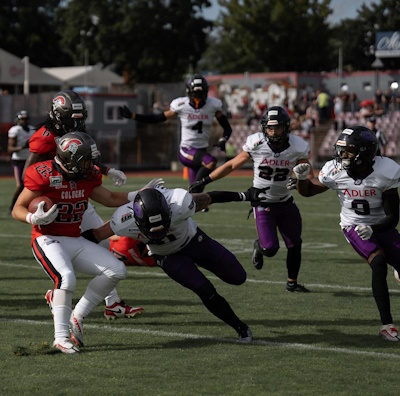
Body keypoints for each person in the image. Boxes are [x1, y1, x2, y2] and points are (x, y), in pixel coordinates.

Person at [81, 183, 271, 343]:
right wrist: (59, 241)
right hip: (167, 256)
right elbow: (96, 235)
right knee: (205, 290)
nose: (157, 232)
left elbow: (209, 197)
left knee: (238, 277)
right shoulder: (123, 220)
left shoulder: (180, 203)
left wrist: (244, 195)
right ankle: (240, 327)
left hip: (194, 242)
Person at [11, 132, 142, 354]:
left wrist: (140, 194)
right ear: (69, 159)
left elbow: (109, 198)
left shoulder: (87, 175)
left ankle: (77, 314)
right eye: (86, 160)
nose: (91, 165)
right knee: (66, 278)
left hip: (74, 238)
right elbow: (17, 208)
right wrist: (34, 218)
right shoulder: (43, 174)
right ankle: (61, 338)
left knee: (116, 270)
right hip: (47, 238)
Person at [24, 90, 142, 320]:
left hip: (78, 193)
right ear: (58, 115)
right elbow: (31, 169)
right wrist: (30, 203)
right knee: (62, 256)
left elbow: (86, 156)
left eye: (79, 117)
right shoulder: (44, 136)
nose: (77, 122)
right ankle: (65, 296)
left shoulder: (74, 130)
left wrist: (107, 170)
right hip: (57, 198)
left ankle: (112, 302)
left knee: (103, 241)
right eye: (72, 117)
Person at [189, 106, 313, 292]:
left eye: (277, 128)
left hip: (286, 201)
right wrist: (205, 180)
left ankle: (292, 282)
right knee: (270, 249)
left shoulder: (298, 146)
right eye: (269, 128)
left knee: (295, 244)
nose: (273, 132)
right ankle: (259, 245)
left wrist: (298, 181)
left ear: (286, 127)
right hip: (262, 201)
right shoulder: (257, 143)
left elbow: (308, 175)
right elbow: (231, 165)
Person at [293, 125, 400, 341]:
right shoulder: (335, 170)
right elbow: (309, 192)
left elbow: (393, 218)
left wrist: (373, 228)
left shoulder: (385, 172)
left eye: (348, 151)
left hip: (381, 224)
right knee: (378, 262)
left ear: (364, 152)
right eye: (341, 150)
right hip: (353, 226)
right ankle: (387, 326)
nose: (342, 156)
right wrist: (301, 181)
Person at [119, 74, 233, 192]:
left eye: (200, 94)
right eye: (195, 95)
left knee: (195, 193)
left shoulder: (213, 105)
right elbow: (158, 118)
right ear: (189, 93)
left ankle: (194, 199)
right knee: (211, 162)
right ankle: (197, 189)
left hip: (201, 150)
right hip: (187, 150)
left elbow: (227, 128)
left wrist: (223, 139)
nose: (197, 98)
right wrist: (134, 116)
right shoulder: (181, 105)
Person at [7, 110, 36, 214]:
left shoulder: (32, 129)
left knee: (31, 185)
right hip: (18, 160)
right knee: (20, 185)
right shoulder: (15, 130)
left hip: (29, 160)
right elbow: (10, 148)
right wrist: (23, 147)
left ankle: (26, 204)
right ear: (18, 120)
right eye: (22, 119)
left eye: (26, 119)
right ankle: (13, 205)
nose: (25, 121)